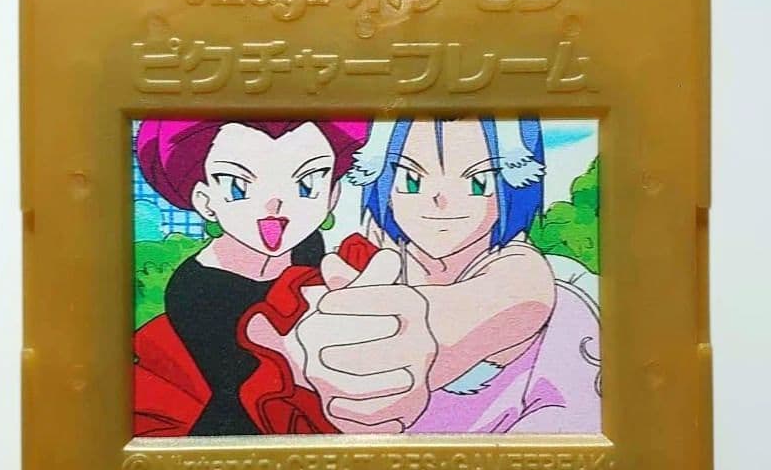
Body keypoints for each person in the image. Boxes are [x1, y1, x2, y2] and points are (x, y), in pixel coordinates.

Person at [260, 116, 602, 434]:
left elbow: (517, 293)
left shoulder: (534, 283)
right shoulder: (359, 270)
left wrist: (413, 341)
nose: (440, 201)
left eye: (478, 182)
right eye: (411, 179)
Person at [132, 118, 370, 436]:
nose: (275, 203)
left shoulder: (310, 248)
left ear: (332, 196)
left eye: (307, 184)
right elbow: (244, 392)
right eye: (238, 186)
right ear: (205, 201)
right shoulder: (196, 291)